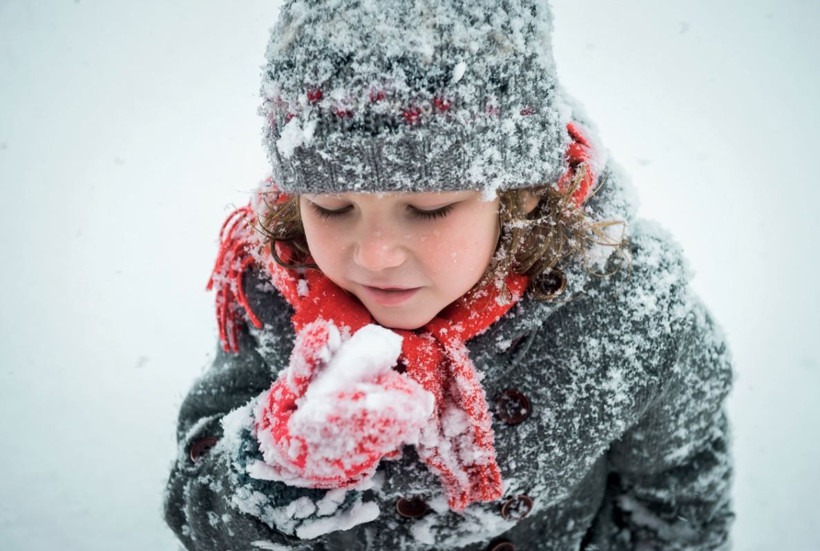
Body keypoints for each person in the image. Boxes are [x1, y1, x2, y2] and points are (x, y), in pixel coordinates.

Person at [163, 1, 734, 549]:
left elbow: (679, 501)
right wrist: (269, 473)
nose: (376, 255)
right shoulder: (274, 286)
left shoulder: (631, 313)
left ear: (524, 194)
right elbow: (195, 492)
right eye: (333, 208)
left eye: (429, 207)